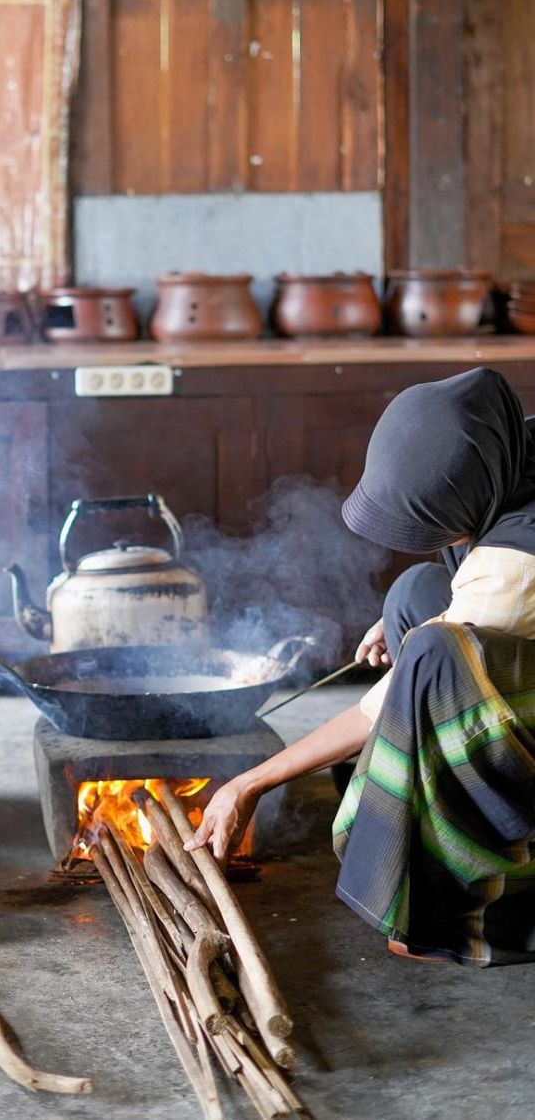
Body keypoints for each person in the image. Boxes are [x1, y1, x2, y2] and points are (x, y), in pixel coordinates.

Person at [187, 367, 535, 966]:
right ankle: (432, 808)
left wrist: (250, 782)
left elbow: (380, 705)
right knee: (416, 591)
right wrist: (422, 612)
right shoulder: (508, 447)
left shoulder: (518, 563)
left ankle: (472, 900)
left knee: (432, 657)